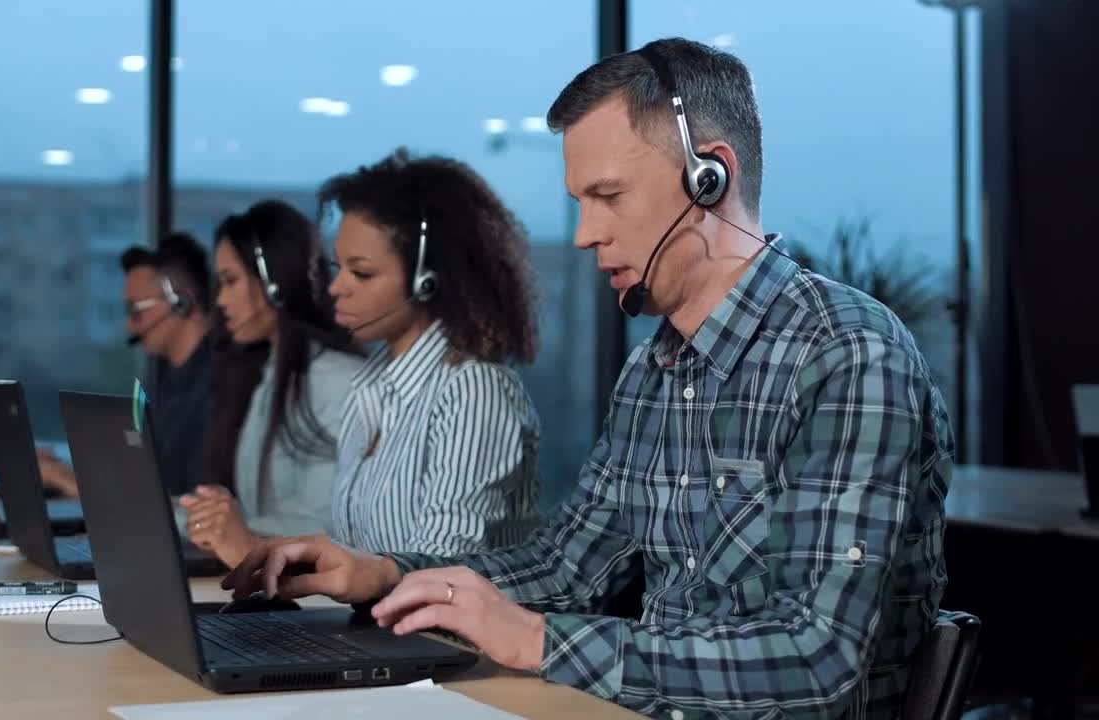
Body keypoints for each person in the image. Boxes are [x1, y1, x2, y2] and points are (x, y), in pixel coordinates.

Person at [224, 39, 953, 719]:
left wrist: (539, 642)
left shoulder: (847, 354)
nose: (583, 234)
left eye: (608, 196)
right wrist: (384, 574)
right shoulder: (653, 369)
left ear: (711, 178)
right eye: (579, 202)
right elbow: (568, 565)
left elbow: (816, 659)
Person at [314, 149, 543, 556]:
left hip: (437, 620)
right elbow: (354, 554)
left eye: (361, 273)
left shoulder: (474, 391)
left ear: (427, 281)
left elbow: (442, 567)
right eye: (338, 269)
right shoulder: (372, 386)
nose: (337, 288)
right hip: (379, 620)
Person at [178, 201, 363, 568]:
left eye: (230, 282)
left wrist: (227, 526)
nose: (220, 301)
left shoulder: (337, 382)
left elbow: (330, 528)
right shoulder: (270, 376)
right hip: (269, 579)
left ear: (273, 283)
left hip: (312, 596)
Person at [38, 233, 215, 497]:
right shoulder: (168, 380)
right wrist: (68, 472)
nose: (129, 325)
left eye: (136, 311)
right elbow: (143, 477)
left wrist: (69, 481)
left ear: (181, 302)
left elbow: (178, 499)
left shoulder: (220, 387)